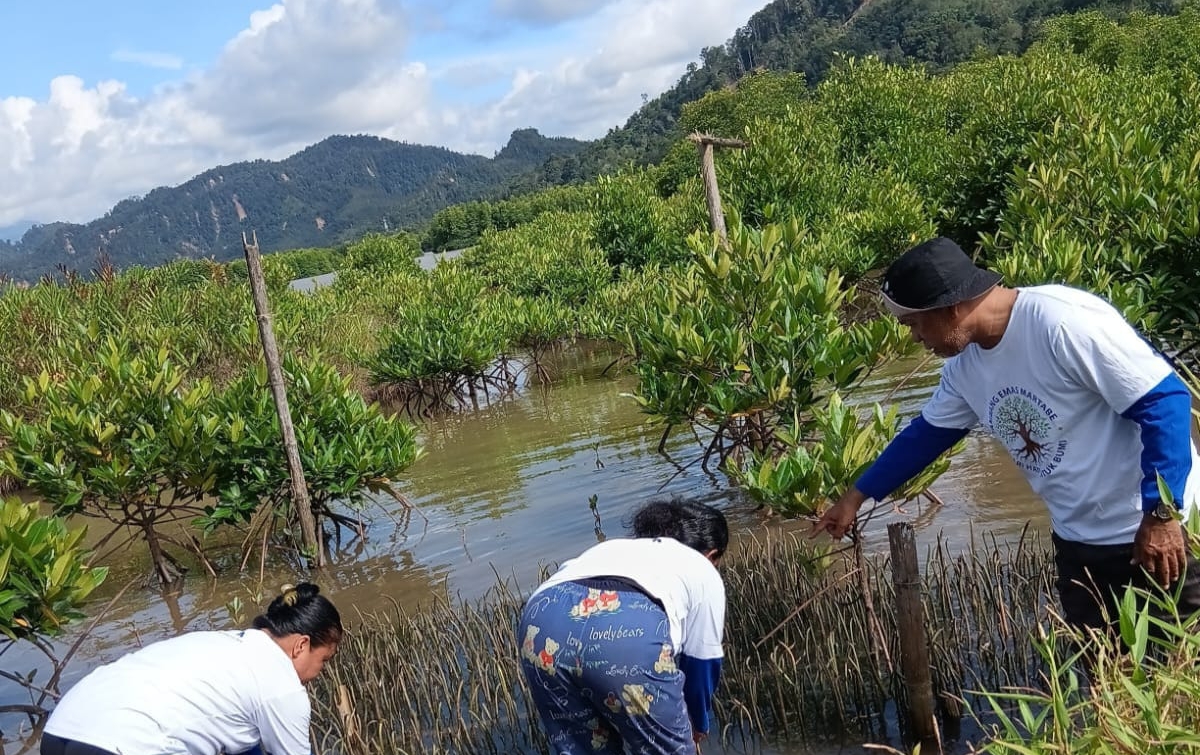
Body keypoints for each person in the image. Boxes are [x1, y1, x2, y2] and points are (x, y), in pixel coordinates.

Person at [811, 237, 1200, 635]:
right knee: (1100, 667)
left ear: (950, 306)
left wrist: (1161, 514)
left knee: (1178, 660)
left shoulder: (1062, 323)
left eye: (913, 323)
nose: (914, 338)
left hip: (1158, 533)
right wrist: (855, 497)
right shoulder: (964, 368)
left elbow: (1164, 401)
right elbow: (926, 435)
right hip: (1079, 542)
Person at [518, 499, 728, 754]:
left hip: (542, 619)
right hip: (625, 630)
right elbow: (701, 663)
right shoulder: (702, 569)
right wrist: (696, 725)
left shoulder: (616, 547)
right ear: (712, 555)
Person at [41, 583, 342, 755]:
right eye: (324, 660)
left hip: (60, 730)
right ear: (301, 645)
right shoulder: (282, 685)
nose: (320, 672)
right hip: (127, 744)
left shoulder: (226, 644)